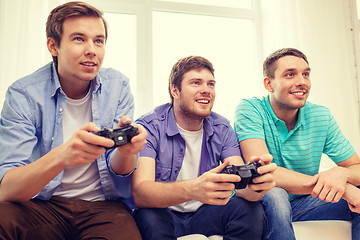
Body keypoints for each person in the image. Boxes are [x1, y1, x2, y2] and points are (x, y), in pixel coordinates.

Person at [0, 1, 147, 239]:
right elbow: (7, 189)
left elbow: (121, 169)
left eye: (98, 40)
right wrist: (62, 156)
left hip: (104, 207)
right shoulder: (24, 94)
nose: (92, 50)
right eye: (79, 39)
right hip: (42, 205)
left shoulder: (118, 86)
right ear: (53, 46)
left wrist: (128, 152)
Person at [132, 56, 277, 240]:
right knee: (148, 215)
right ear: (175, 90)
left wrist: (256, 184)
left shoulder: (222, 127)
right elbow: (141, 193)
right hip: (163, 213)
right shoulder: (149, 127)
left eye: (211, 84)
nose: (206, 90)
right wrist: (193, 188)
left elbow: (241, 188)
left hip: (205, 213)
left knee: (250, 210)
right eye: (196, 83)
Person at [234, 47, 360, 240]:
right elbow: (263, 171)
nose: (301, 82)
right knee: (275, 194)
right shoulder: (250, 109)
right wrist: (342, 189)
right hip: (260, 202)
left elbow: (356, 168)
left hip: (304, 204)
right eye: (290, 75)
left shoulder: (320, 115)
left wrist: (341, 174)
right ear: (269, 84)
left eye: (306, 74)